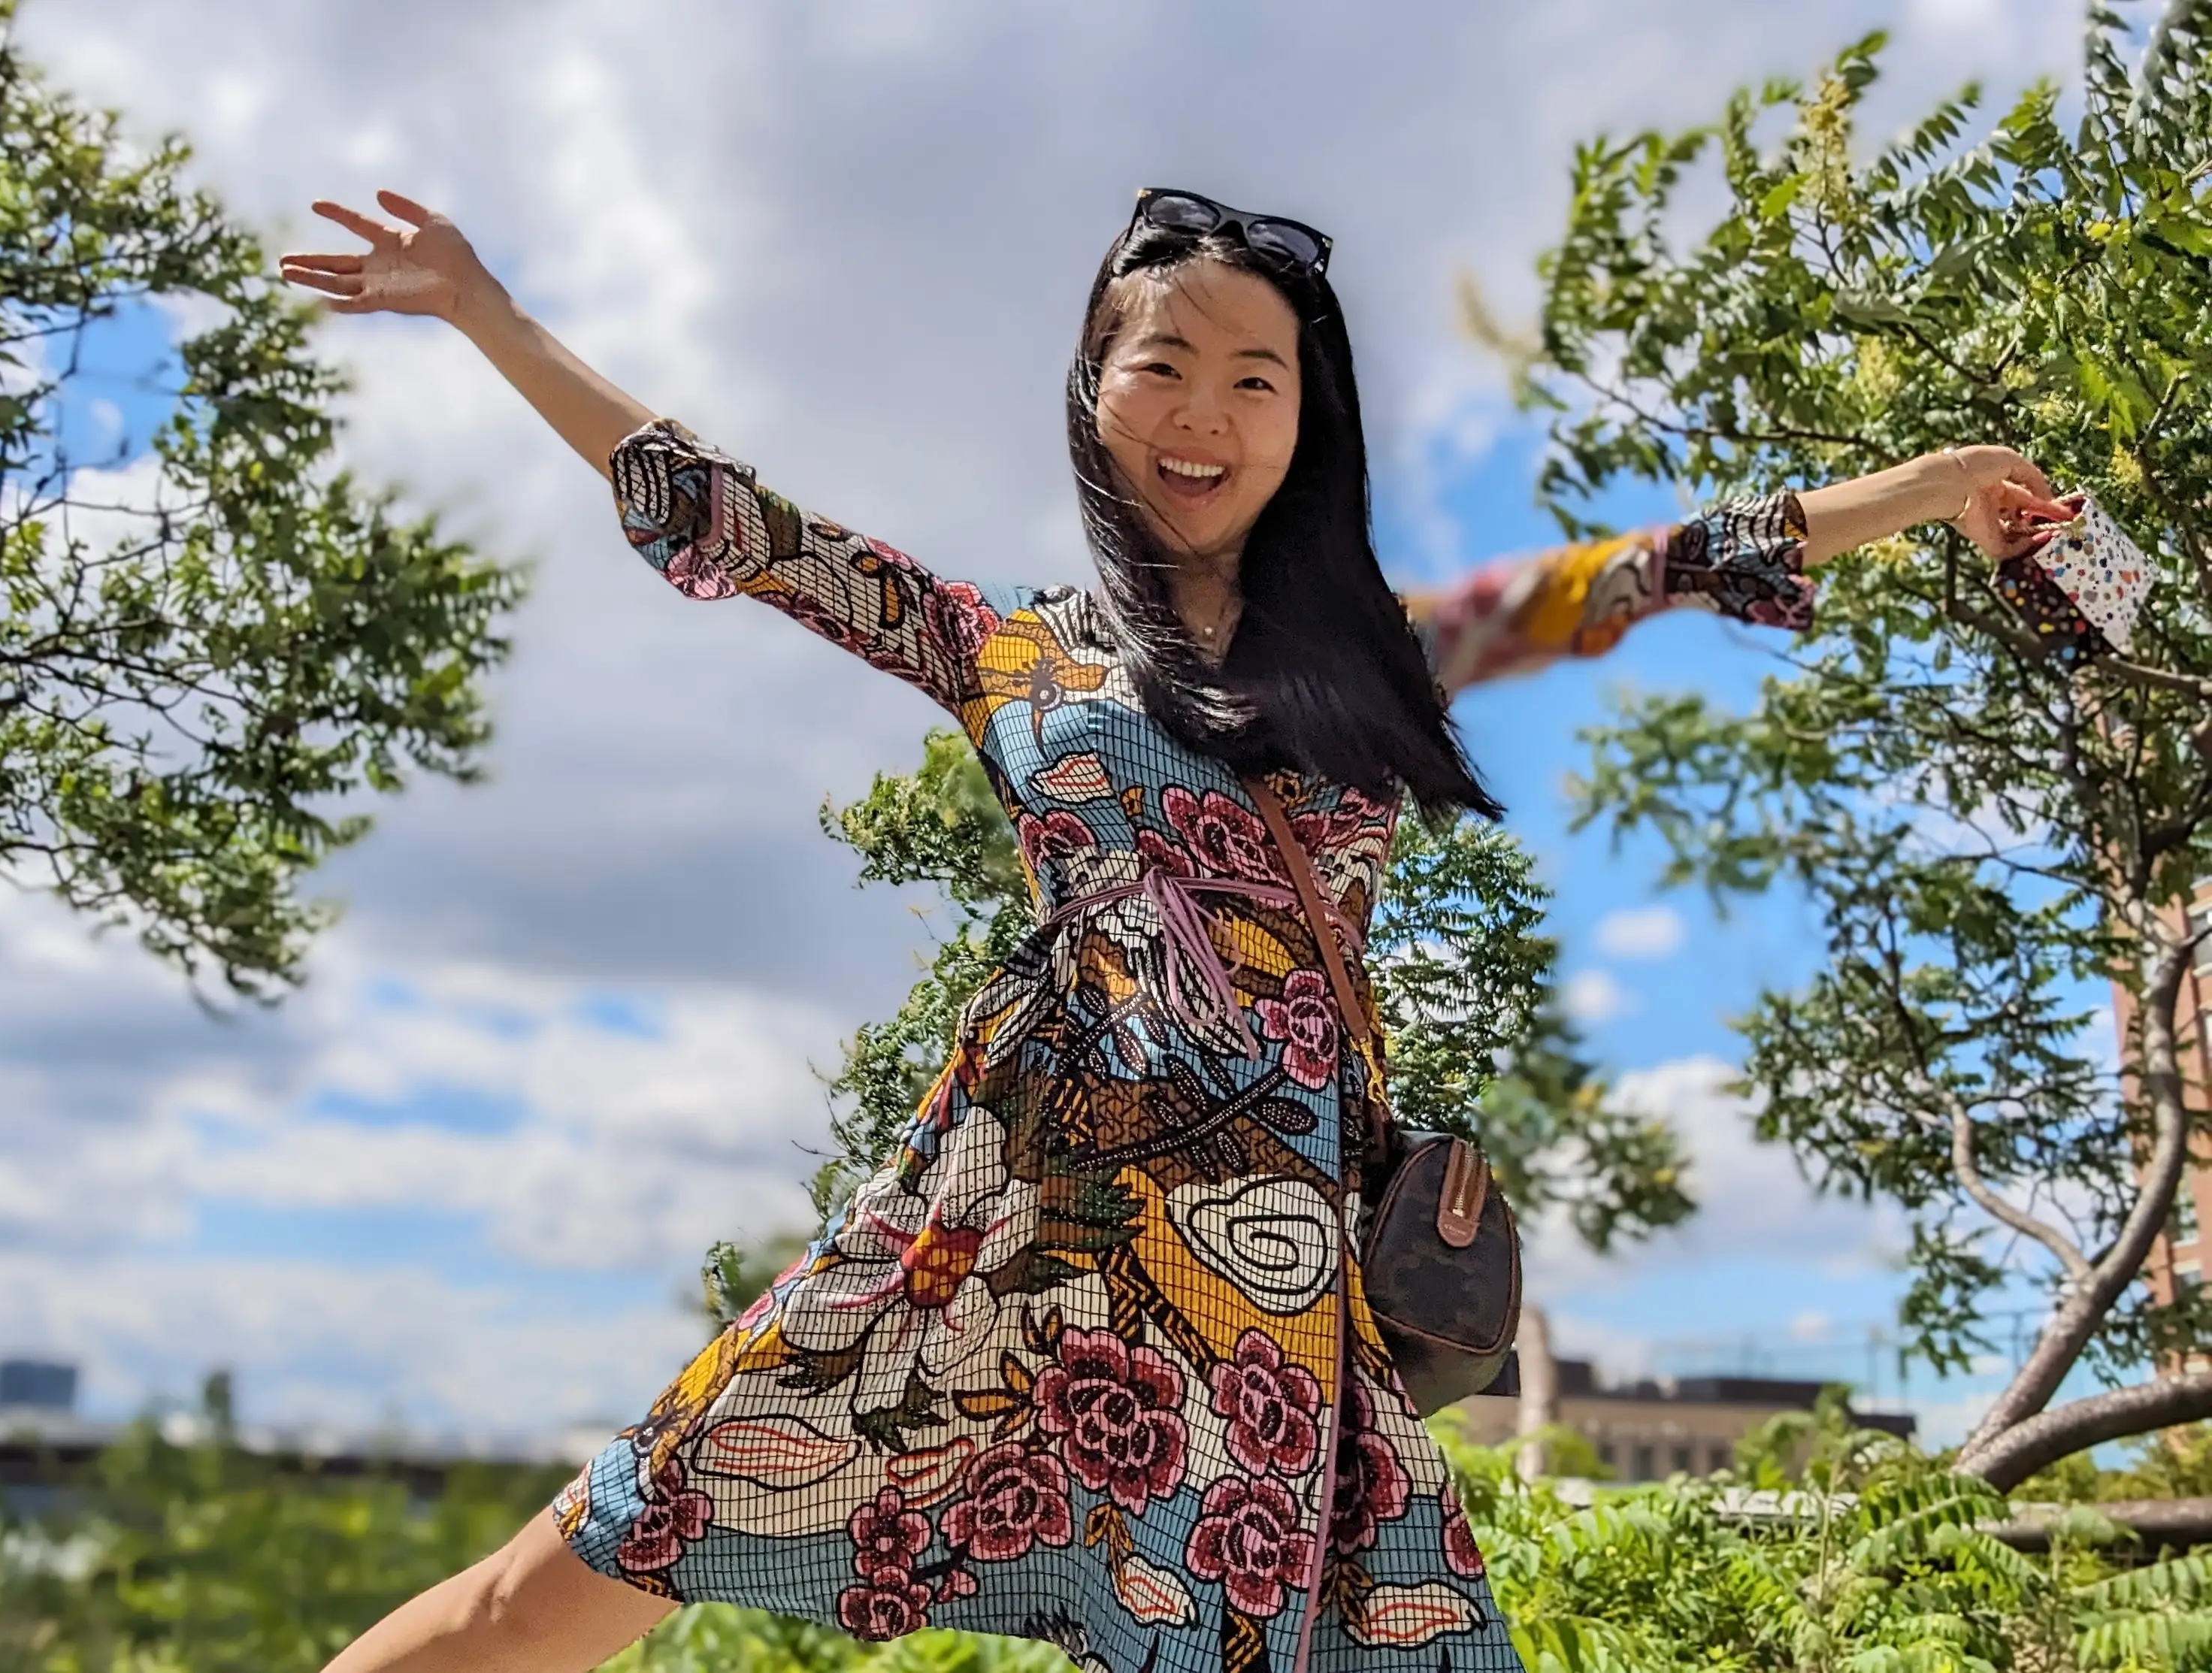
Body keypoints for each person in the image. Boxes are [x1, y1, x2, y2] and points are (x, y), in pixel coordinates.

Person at [281, 186, 2068, 1673]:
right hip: (1002, 1239)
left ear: (1308, 420)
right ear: (1092, 387)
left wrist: (1923, 490)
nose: (1205, 414)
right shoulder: (1004, 647)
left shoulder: (1381, 655)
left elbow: (1630, 576)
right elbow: (741, 524)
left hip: (1269, 1294)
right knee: (587, 1565)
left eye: (1257, 378)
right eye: (1163, 364)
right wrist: (489, 315)